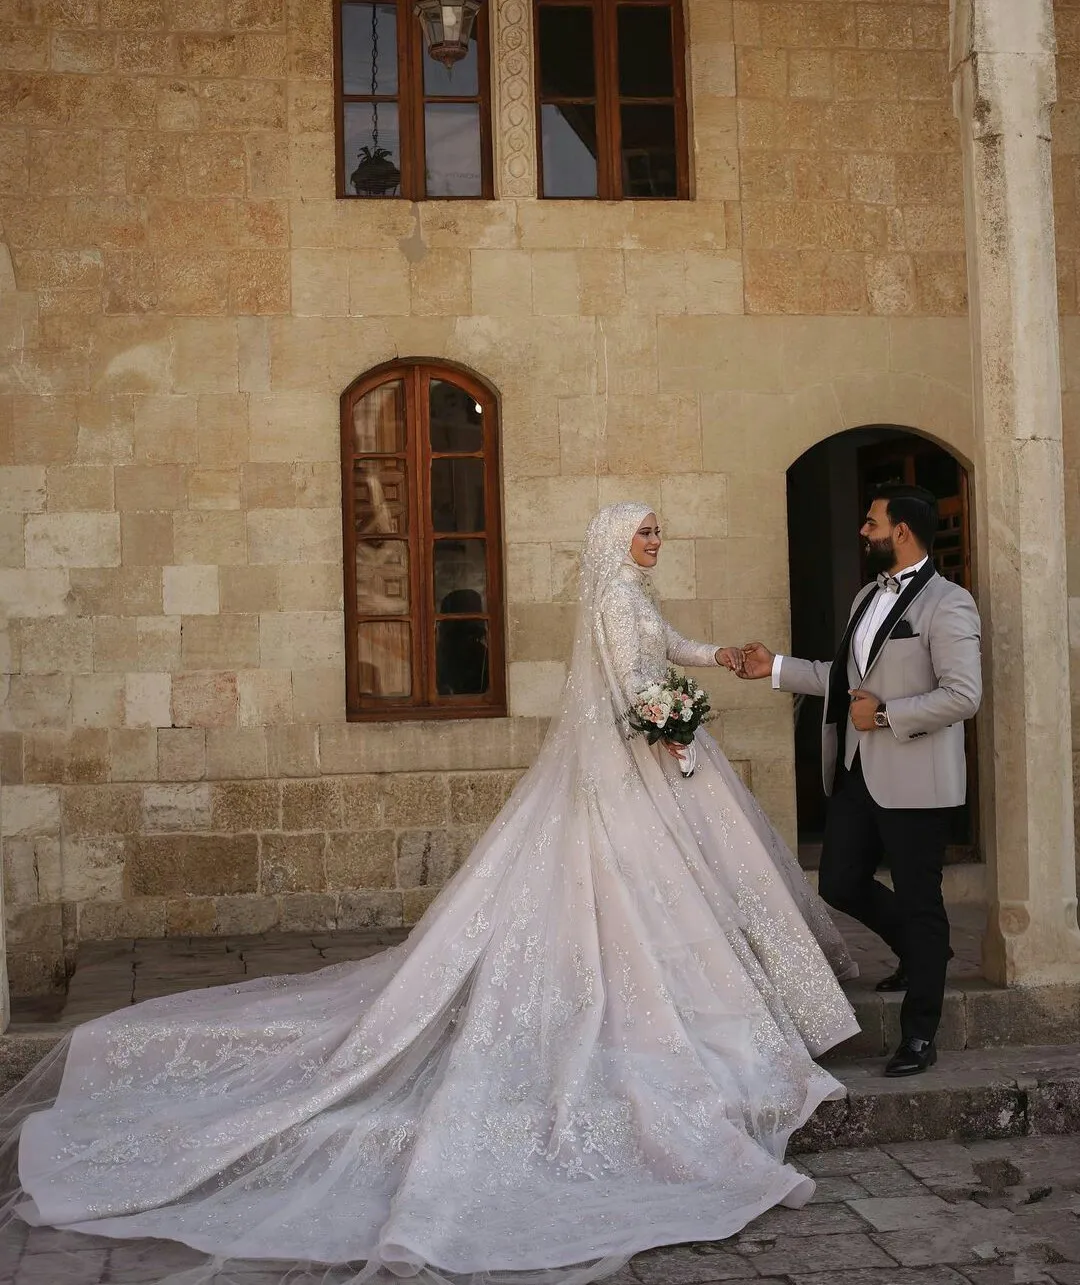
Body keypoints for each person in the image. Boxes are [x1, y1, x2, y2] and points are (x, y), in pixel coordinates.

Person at [0, 502, 858, 1285]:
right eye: (645, 531)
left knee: (672, 894)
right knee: (638, 894)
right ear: (612, 541)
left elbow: (667, 646)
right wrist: (670, 724)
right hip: (631, 763)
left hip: (646, 756)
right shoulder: (611, 601)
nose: (656, 541)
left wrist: (722, 658)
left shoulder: (634, 594)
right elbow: (627, 683)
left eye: (661, 531)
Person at [737, 484, 982, 1078]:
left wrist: (889, 715)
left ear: (901, 531)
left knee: (922, 901)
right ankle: (925, 953)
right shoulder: (865, 597)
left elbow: (963, 695)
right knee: (841, 882)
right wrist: (774, 667)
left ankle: (919, 1034)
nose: (863, 531)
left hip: (916, 777)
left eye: (871, 522)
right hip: (856, 773)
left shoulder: (949, 603)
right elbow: (842, 678)